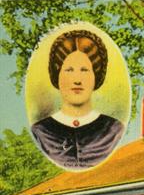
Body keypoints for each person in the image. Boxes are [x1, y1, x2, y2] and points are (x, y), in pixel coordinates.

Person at [31, 29, 124, 170]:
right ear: (57, 75)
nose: (77, 80)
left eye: (85, 70)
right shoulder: (40, 132)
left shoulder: (114, 130)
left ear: (96, 76)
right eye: (69, 70)